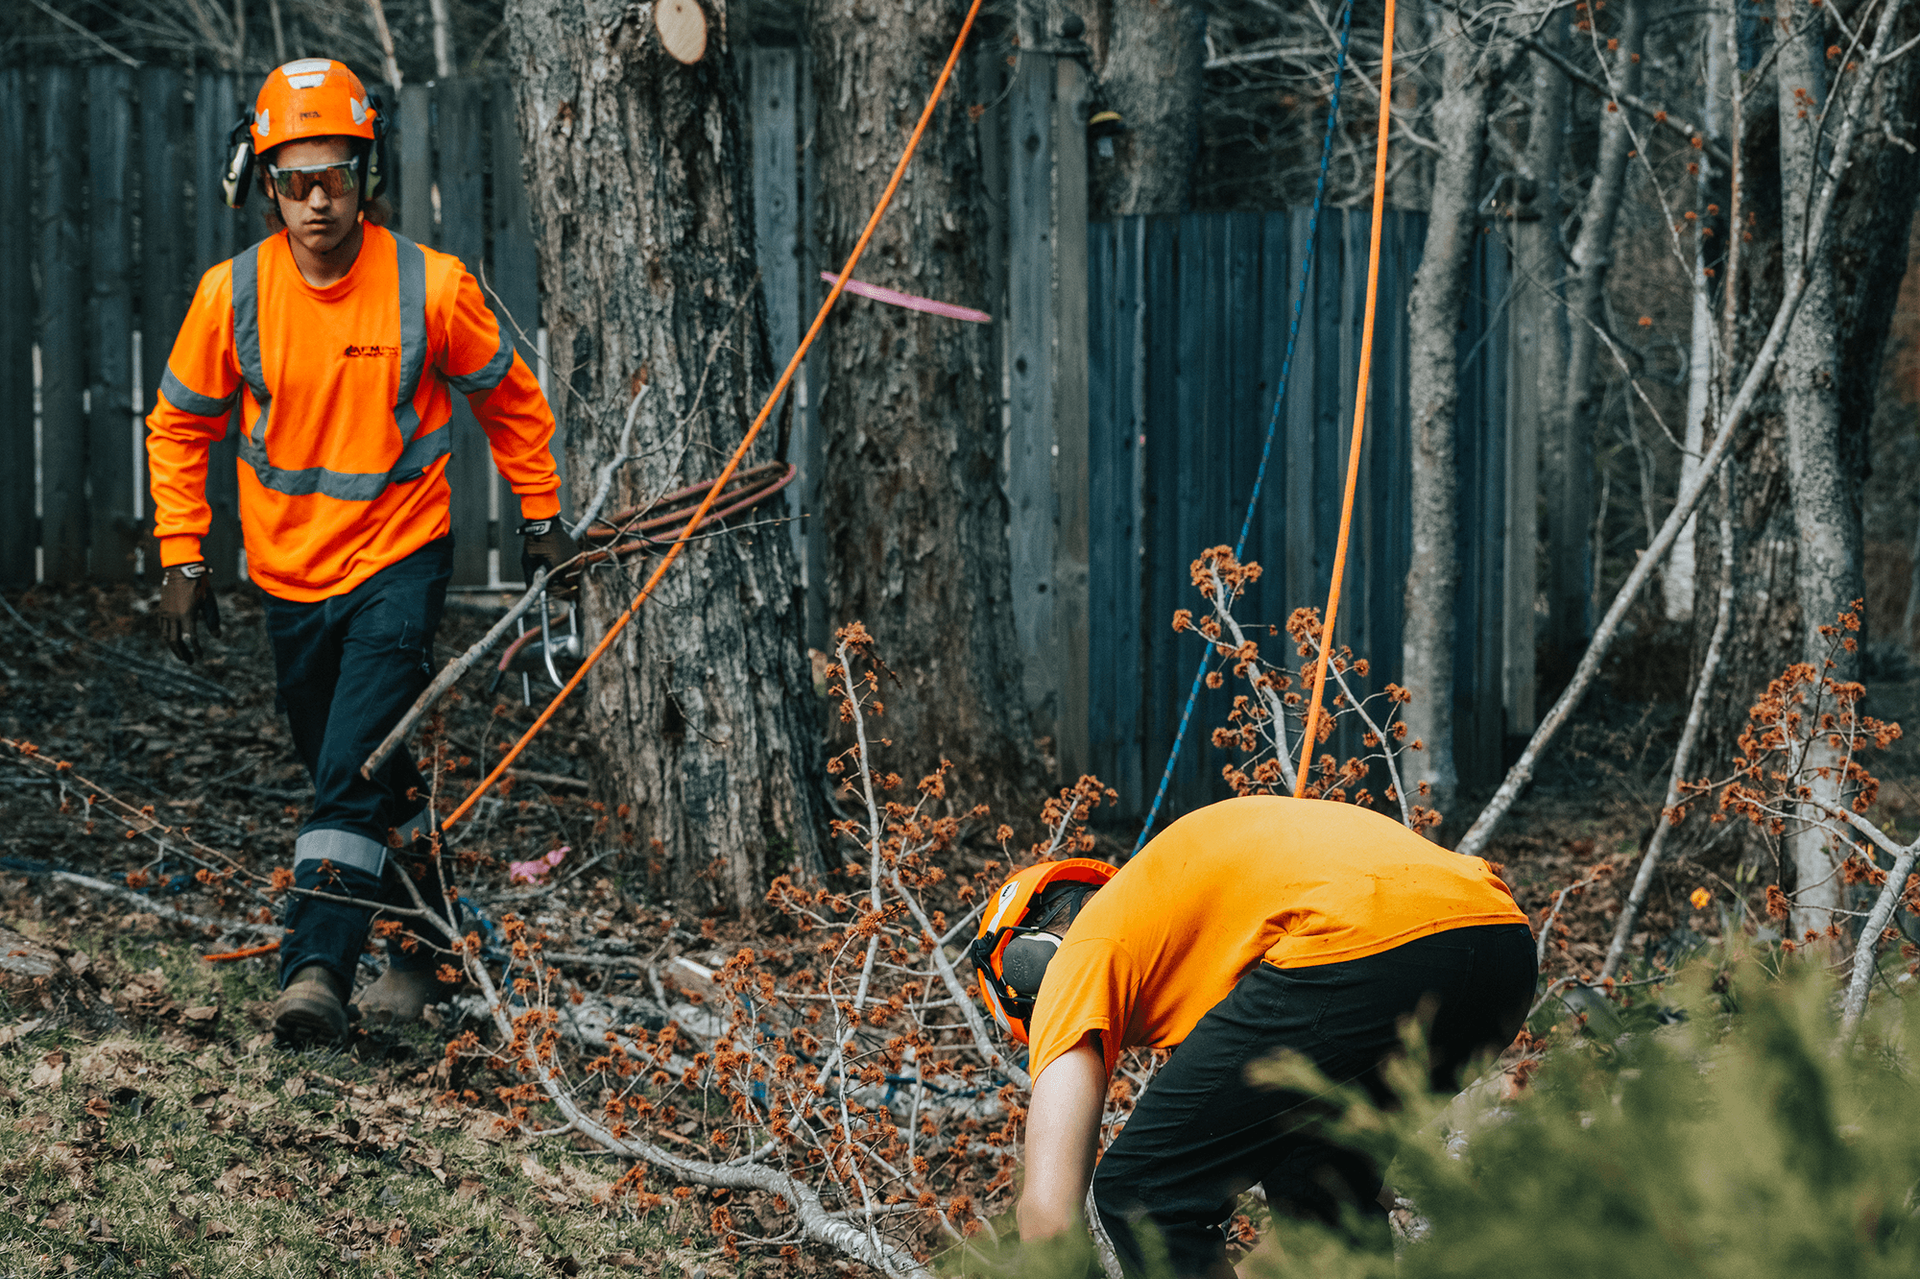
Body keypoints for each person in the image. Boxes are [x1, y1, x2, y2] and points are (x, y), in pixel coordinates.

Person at [145, 58, 577, 1044]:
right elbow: (178, 427)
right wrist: (182, 554)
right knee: (369, 782)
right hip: (290, 579)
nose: (314, 200)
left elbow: (510, 398)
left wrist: (543, 513)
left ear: (364, 173)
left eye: (332, 175)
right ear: (267, 186)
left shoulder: (429, 286)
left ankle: (315, 974)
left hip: (399, 561)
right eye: (293, 180)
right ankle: (435, 959)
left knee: (349, 769)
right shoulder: (233, 297)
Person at [970, 796, 1535, 1278]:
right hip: (1499, 945)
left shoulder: (1082, 953)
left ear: (1024, 961)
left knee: (1141, 1192)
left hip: (1366, 942)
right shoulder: (1180, 909)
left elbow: (1047, 1221)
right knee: (1318, 1186)